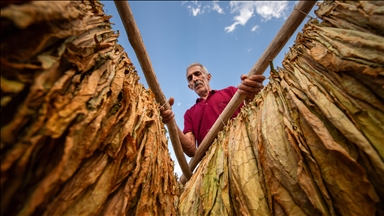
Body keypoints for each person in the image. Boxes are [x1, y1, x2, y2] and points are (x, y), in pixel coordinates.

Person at [160, 62, 265, 157]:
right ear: (190, 86)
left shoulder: (232, 92)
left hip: (243, 151)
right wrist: (170, 122)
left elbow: (253, 113)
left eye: (197, 74)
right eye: (190, 78)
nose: (194, 79)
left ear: (208, 77)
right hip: (211, 162)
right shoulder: (189, 114)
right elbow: (191, 150)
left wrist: (253, 95)